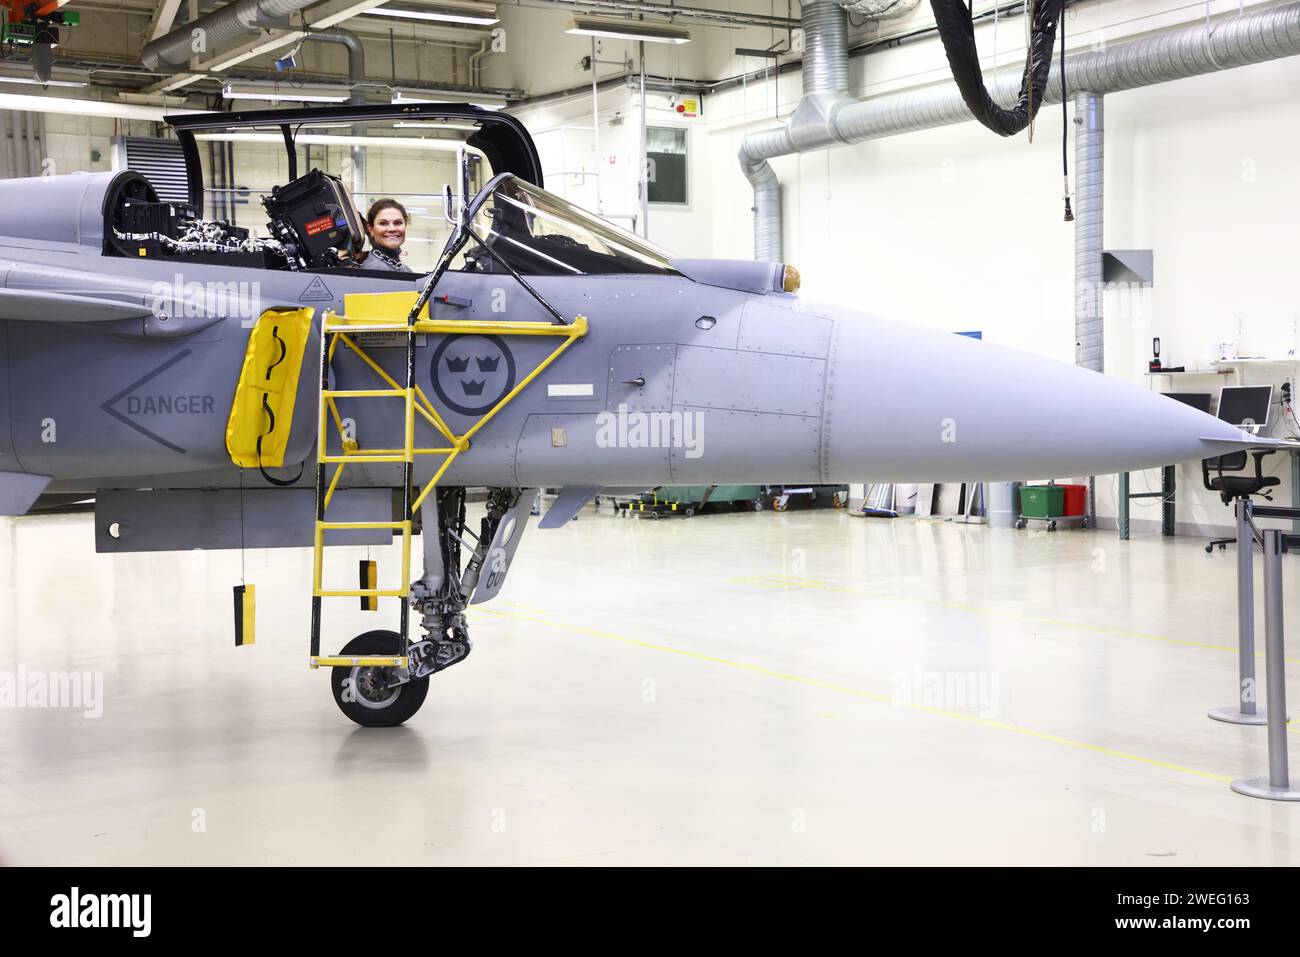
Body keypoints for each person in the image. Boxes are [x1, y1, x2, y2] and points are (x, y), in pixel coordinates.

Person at [354, 198, 412, 272]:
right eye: (383, 223)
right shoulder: (375, 269)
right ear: (371, 229)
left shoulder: (397, 265)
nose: (392, 229)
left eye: (398, 223)